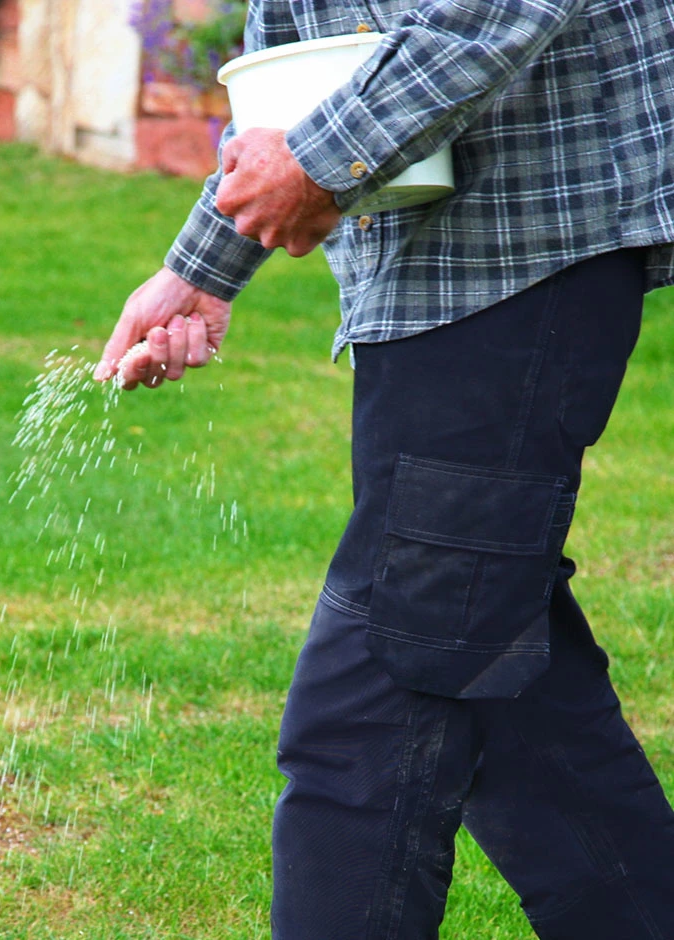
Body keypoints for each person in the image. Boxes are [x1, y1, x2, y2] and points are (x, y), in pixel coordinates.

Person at [94, 1, 674, 937]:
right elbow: (291, 46)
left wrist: (322, 164)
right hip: (419, 277)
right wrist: (207, 260)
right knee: (494, 666)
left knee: (373, 702)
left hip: (524, 251)